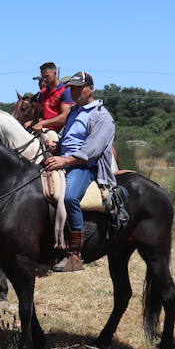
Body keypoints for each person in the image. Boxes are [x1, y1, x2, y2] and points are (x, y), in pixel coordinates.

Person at [43, 71, 116, 272]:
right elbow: (68, 139)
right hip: (65, 160)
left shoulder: (101, 115)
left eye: (78, 88)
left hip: (84, 166)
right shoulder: (74, 111)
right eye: (71, 88)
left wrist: (65, 160)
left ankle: (75, 254)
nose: (73, 92)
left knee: (69, 198)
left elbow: (92, 150)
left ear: (90, 89)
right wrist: (55, 147)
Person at [28, 61, 73, 133]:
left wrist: (42, 123)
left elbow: (64, 118)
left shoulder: (65, 91)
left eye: (47, 76)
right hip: (44, 130)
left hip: (60, 132)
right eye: (43, 77)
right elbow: (37, 113)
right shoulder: (43, 92)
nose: (44, 79)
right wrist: (34, 121)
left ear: (55, 73)